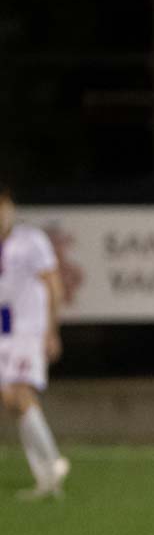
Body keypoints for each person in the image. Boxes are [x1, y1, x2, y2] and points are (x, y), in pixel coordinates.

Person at [0, 183, 68, 499]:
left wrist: (51, 329)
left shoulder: (30, 241)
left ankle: (52, 462)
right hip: (5, 331)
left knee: (21, 391)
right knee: (10, 399)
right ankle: (46, 477)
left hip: (30, 329)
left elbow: (53, 284)